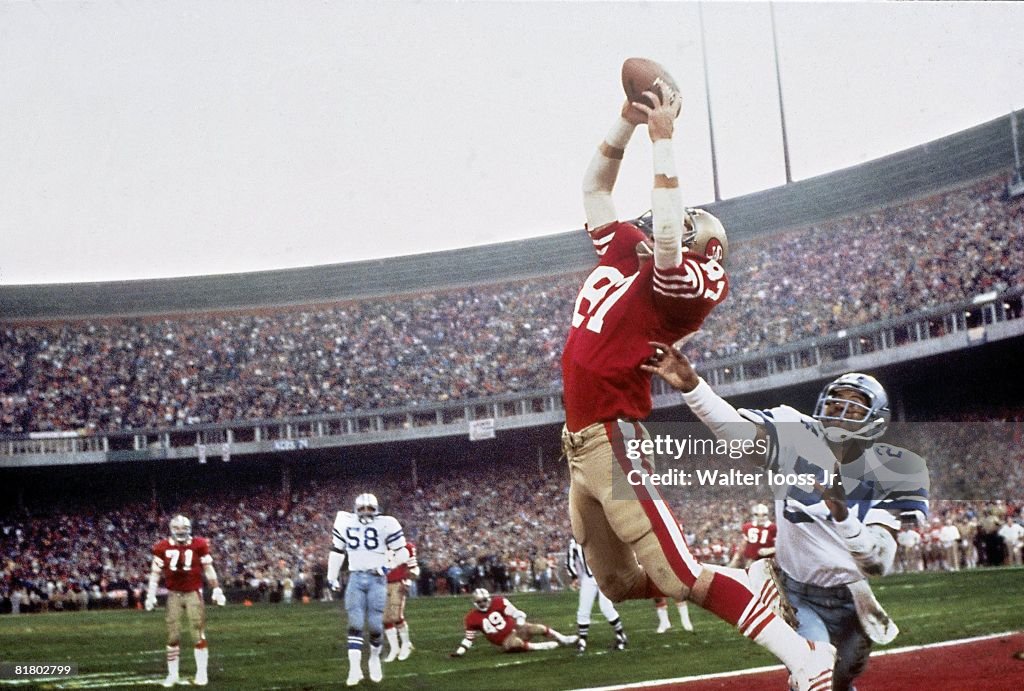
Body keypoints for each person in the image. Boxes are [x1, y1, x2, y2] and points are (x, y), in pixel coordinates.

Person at [561, 79, 835, 690]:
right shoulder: (625, 249)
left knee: (682, 577)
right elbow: (594, 188)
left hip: (614, 440)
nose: (674, 222)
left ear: (704, 247)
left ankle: (804, 657)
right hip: (578, 447)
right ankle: (751, 583)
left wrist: (663, 143)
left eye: (687, 222)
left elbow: (665, 247)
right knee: (618, 582)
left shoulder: (691, 283)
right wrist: (625, 124)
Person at [642, 344, 930, 691]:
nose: (839, 411)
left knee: (843, 678)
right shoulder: (796, 431)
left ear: (875, 423)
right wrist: (693, 387)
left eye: (853, 408)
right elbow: (739, 434)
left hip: (852, 596)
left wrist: (842, 515)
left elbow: (878, 564)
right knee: (813, 675)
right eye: (836, 402)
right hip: (796, 592)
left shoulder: (896, 469)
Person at [327, 493, 408, 687]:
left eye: (369, 509)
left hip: (377, 580)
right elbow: (337, 550)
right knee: (354, 623)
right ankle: (354, 668)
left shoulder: (386, 523)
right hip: (355, 578)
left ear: (376, 509)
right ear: (355, 509)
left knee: (375, 626)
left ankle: (373, 660)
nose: (365, 512)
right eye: (362, 509)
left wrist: (388, 567)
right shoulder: (345, 521)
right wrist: (331, 576)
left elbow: (403, 551)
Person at [145, 514, 226, 688]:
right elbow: (155, 573)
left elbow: (208, 568)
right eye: (178, 529)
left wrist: (216, 588)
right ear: (171, 529)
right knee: (172, 635)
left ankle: (201, 672)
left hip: (193, 592)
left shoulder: (199, 544)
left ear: (189, 529)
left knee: (197, 633)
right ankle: (173, 674)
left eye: (184, 529)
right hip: (173, 593)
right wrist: (150, 594)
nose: (181, 532)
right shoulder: (161, 547)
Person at [448, 588, 577, 656]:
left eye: (484, 600)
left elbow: (517, 613)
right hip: (504, 641)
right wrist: (461, 651)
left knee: (538, 628)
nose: (482, 604)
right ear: (475, 603)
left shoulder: (499, 601)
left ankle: (563, 639)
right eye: (479, 602)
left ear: (489, 598)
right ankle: (541, 646)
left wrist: (520, 621)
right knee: (516, 643)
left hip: (515, 629)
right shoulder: (472, 617)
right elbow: (469, 638)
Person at [566, 537, 627, 654]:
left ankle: (621, 635)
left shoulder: (599, 536)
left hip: (605, 576)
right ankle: (582, 640)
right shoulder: (575, 542)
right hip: (588, 578)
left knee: (606, 607)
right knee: (583, 609)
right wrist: (574, 576)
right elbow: (569, 560)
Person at [383, 539, 420, 662]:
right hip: (381, 583)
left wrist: (408, 581)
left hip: (397, 583)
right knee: (384, 619)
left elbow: (414, 568)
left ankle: (406, 644)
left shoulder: (406, 547)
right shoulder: (377, 546)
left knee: (396, 616)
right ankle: (395, 648)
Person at [729, 503, 778, 569]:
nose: (760, 518)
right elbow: (743, 545)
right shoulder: (747, 527)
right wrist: (735, 559)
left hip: (768, 561)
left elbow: (782, 546)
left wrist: (771, 550)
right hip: (751, 560)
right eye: (757, 515)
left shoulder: (773, 528)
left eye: (763, 515)